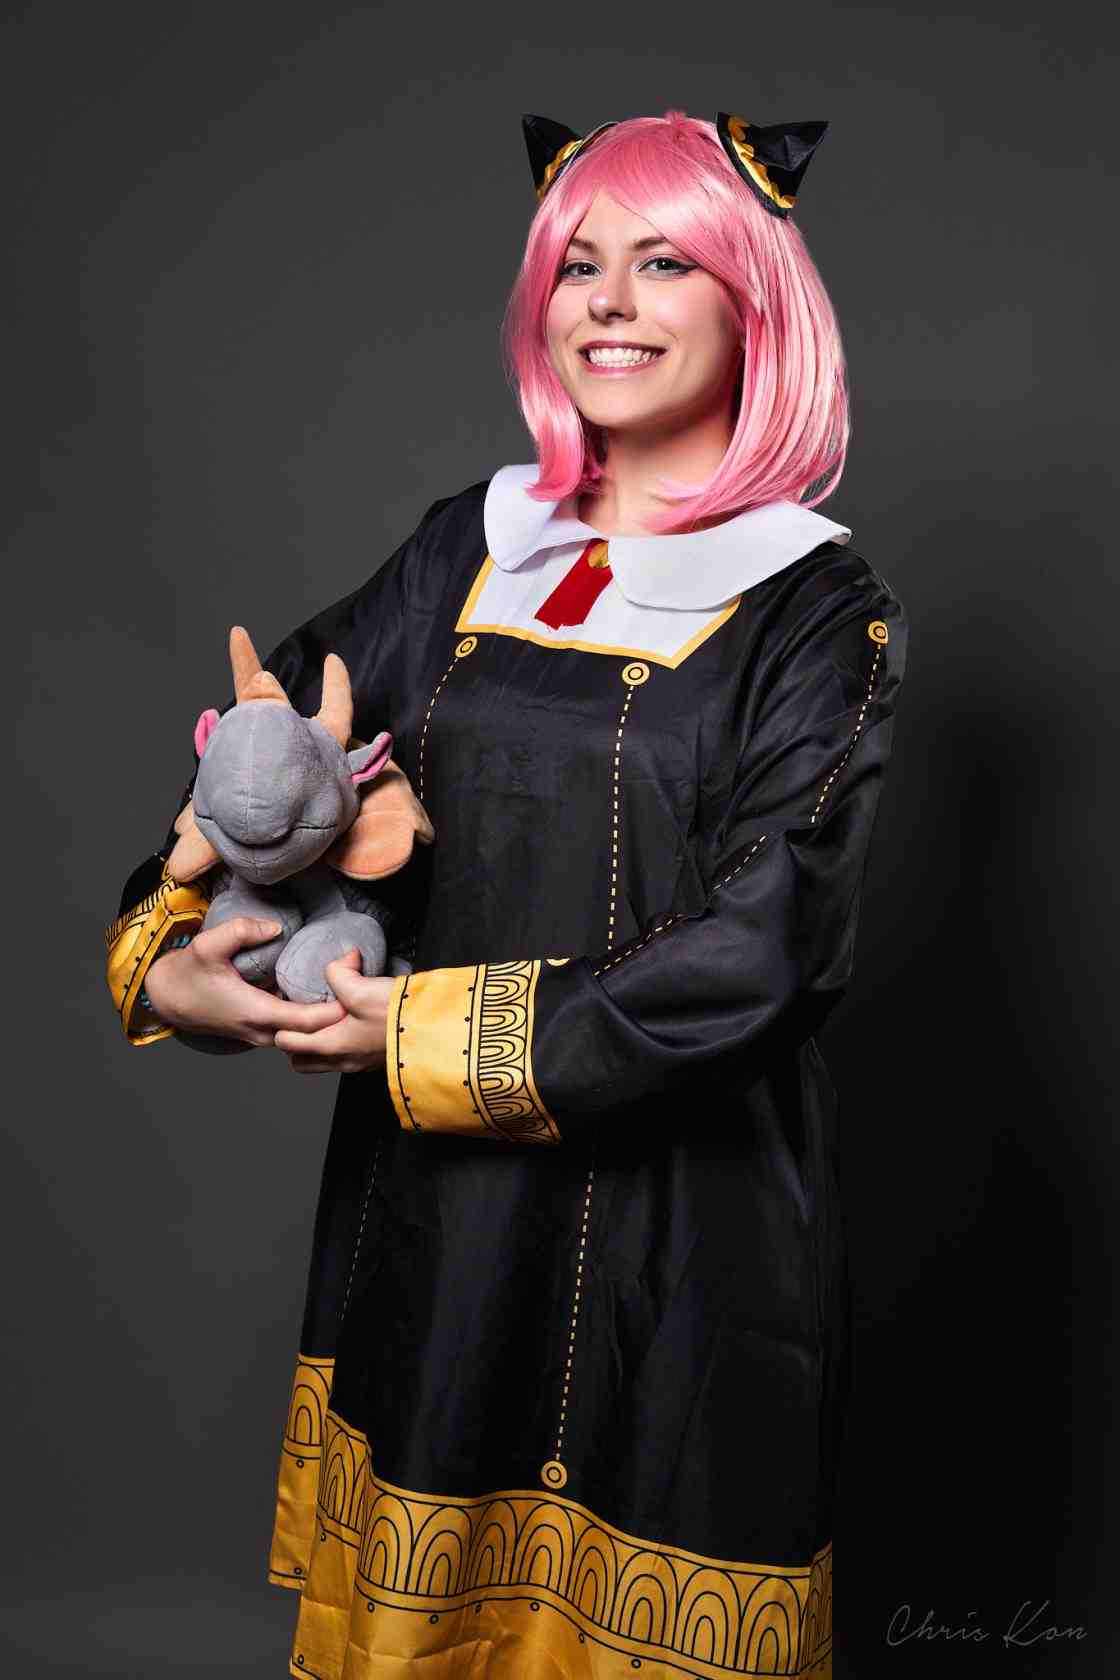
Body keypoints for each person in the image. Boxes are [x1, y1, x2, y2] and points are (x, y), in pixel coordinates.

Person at [104, 107, 908, 1679]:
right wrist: (183, 943)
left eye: (664, 262)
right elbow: (274, 757)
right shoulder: (467, 550)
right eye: (578, 263)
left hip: (689, 1246)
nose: (607, 301)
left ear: (756, 299)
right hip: (436, 1232)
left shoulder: (820, 607)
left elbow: (774, 942)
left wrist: (423, 1033)